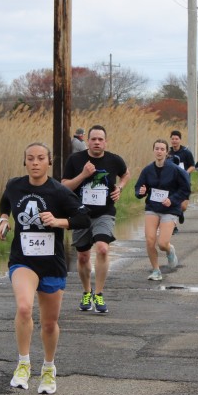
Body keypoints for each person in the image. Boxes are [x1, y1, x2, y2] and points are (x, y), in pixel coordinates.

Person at [0, 143, 90, 394]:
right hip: (23, 260)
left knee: (49, 324)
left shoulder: (59, 191)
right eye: (30, 158)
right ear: (25, 162)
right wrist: (4, 219)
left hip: (52, 263)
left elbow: (83, 218)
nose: (35, 163)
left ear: (49, 162)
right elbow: (6, 200)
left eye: (40, 158)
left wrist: (59, 221)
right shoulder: (15, 185)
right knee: (24, 307)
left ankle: (49, 368)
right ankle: (23, 364)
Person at [62, 125, 130, 314]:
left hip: (104, 212)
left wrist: (120, 188)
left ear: (105, 142)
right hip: (81, 214)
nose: (97, 142)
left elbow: (126, 174)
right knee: (83, 256)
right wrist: (83, 175)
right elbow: (64, 186)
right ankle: (87, 292)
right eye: (93, 139)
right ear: (88, 141)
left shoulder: (114, 160)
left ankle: (99, 294)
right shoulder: (76, 159)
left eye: (100, 139)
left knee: (102, 248)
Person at [135, 139, 190, 281]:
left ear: (166, 152)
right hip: (152, 207)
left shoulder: (175, 170)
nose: (159, 151)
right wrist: (141, 192)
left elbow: (185, 189)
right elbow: (139, 187)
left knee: (162, 243)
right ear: (153, 150)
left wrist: (172, 199)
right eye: (157, 149)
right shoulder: (147, 170)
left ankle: (170, 249)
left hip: (170, 209)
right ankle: (156, 270)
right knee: (149, 241)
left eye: (162, 149)